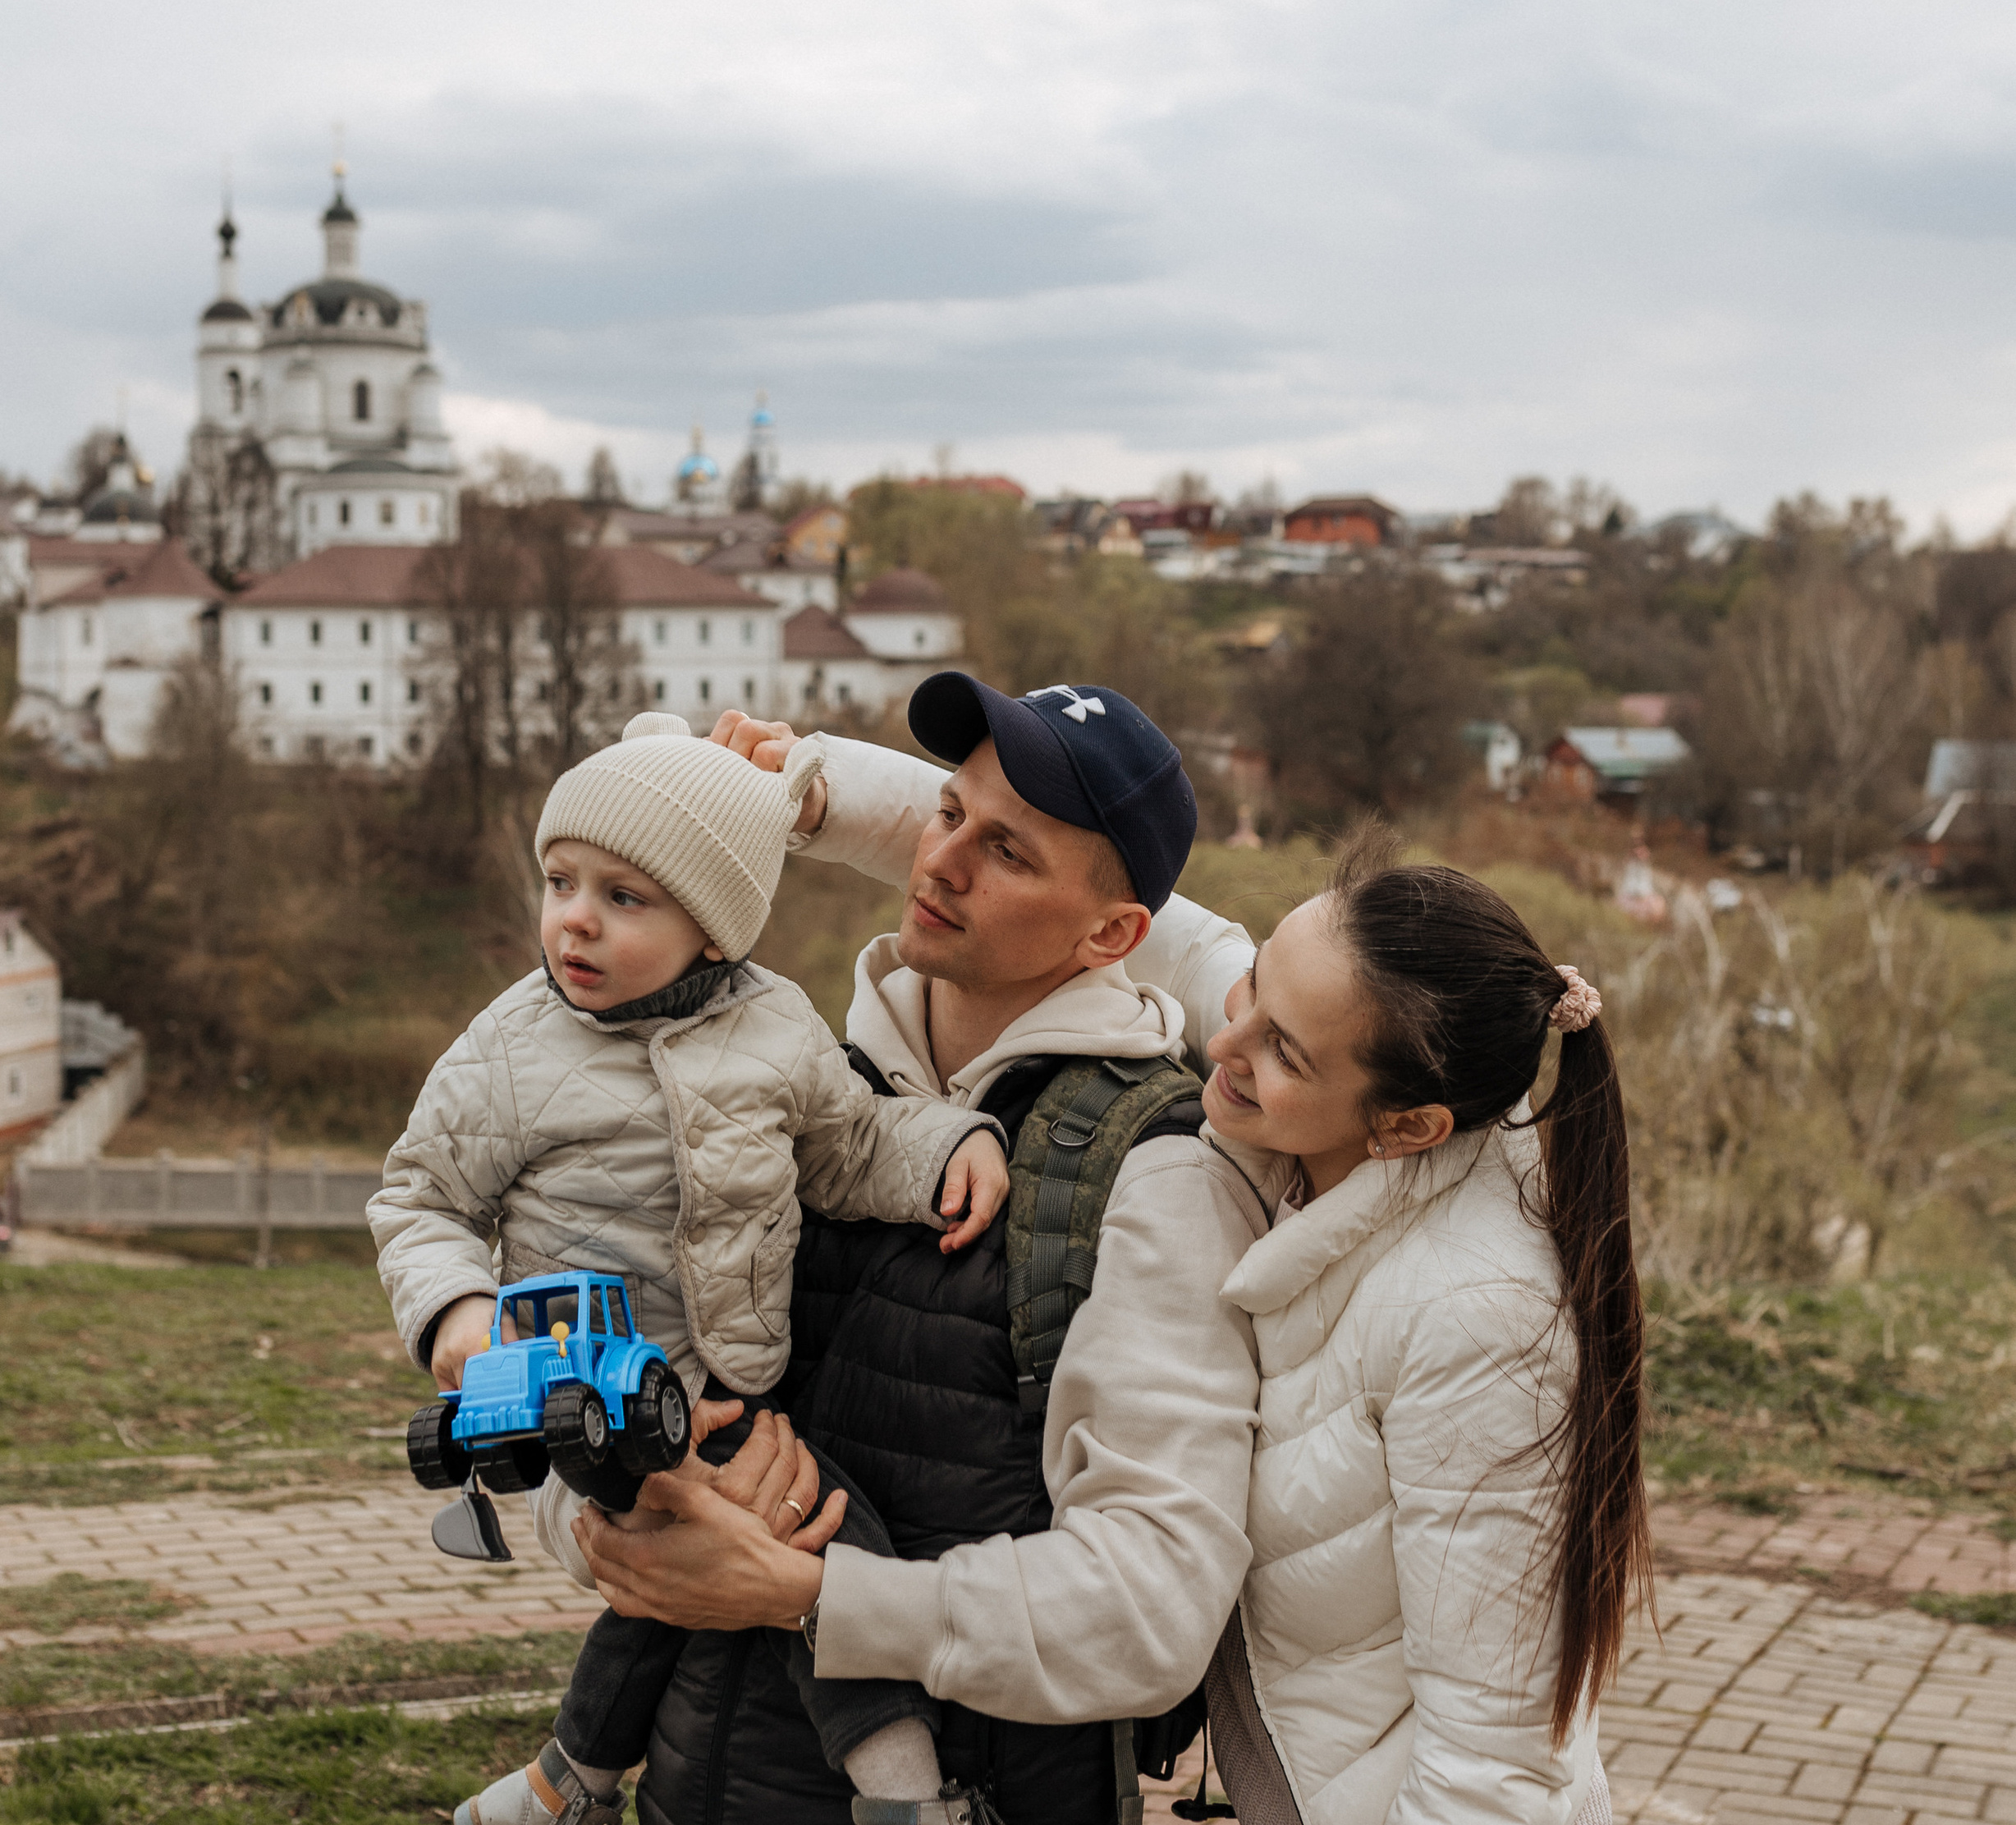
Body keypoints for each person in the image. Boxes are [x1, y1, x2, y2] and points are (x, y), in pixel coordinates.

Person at [593, 824, 1648, 1825]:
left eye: (1281, 1050)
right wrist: (807, 787)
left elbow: (1496, 1762)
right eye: (1250, 987)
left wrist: (812, 1594)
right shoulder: (1342, 1071)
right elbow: (1071, 867)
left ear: (1406, 1127)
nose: (1221, 1040)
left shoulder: (1480, 1324)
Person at [561, 676, 1280, 1825]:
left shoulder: (1158, 1171)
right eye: (948, 813)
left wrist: (808, 1595)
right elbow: (595, 1394)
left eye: (1008, 852)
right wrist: (625, 1513)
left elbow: (1152, 1610)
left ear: (1112, 934)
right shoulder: (780, 1088)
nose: (940, 862)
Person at [368, 711, 1011, 1825]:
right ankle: (907, 1798)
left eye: (624, 896)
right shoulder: (511, 1048)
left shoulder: (775, 1027)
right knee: (822, 1533)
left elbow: (847, 1145)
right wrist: (458, 1313)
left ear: (714, 931)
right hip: (583, 1397)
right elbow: (421, 1197)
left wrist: (949, 1145)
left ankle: (563, 1786)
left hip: (727, 1391)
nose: (575, 918)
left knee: (685, 1587)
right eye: (560, 881)